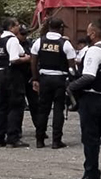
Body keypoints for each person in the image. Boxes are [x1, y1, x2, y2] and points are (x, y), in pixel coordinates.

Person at [66, 19, 101, 179]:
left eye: (88, 33)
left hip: (92, 98)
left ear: (94, 34)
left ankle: (92, 177)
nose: (87, 36)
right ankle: (90, 174)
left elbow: (89, 76)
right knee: (94, 139)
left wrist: (71, 87)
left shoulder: (94, 51)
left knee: (89, 140)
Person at [30, 17, 77, 149]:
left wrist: (35, 78)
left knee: (43, 110)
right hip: (59, 80)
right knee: (58, 110)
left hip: (44, 79)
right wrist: (72, 81)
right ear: (61, 28)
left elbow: (33, 61)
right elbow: (72, 66)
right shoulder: (65, 44)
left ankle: (40, 140)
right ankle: (56, 141)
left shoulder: (39, 41)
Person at [0, 18, 31, 148]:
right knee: (16, 105)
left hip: (1, 74)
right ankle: (13, 137)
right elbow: (14, 59)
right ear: (11, 27)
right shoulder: (13, 40)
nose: (19, 27)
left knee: (3, 106)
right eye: (17, 25)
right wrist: (26, 59)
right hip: (12, 74)